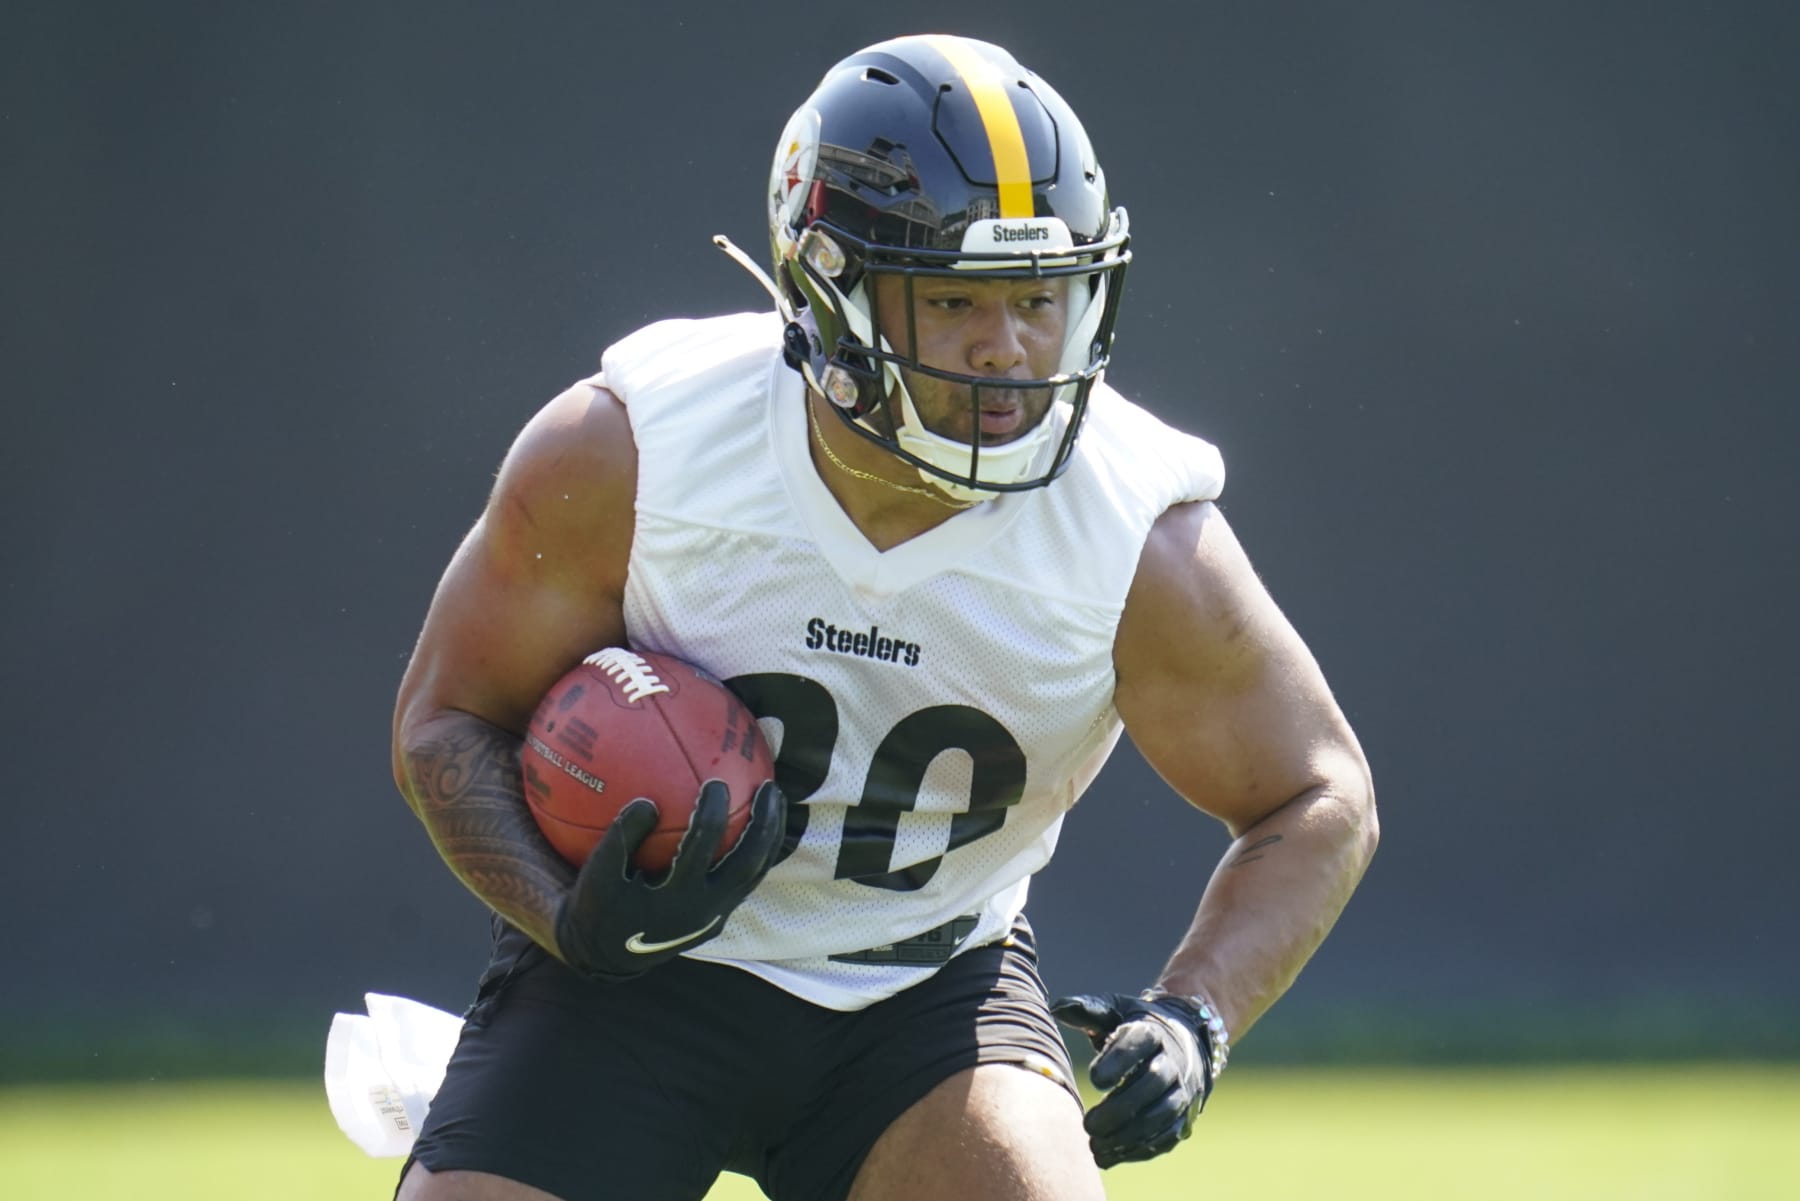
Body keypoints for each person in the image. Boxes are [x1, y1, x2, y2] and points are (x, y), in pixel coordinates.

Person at [388, 32, 1377, 1201]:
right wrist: (571, 919)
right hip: (631, 992)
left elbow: (1318, 795)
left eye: (1041, 298)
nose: (1010, 349)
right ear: (827, 290)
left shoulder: (1133, 529)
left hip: (924, 997)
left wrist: (1194, 1012)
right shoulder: (639, 450)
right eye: (957, 297)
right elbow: (446, 723)